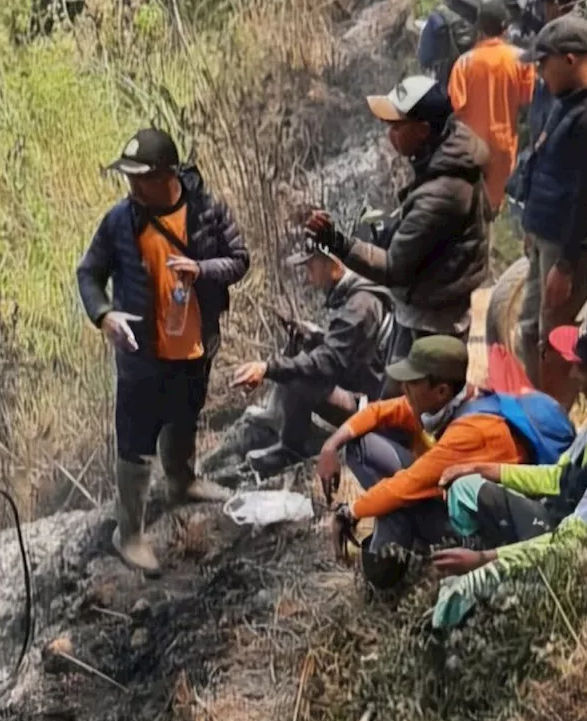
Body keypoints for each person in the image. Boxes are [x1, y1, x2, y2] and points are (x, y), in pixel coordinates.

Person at [76, 128, 249, 573]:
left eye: (140, 178)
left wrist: (202, 268)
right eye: (128, 178)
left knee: (185, 413)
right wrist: (104, 316)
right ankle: (128, 533)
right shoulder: (119, 221)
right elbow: (89, 273)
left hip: (194, 344)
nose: (131, 187)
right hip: (141, 355)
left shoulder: (207, 210)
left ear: (167, 175)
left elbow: (239, 259)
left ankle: (182, 483)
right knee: (135, 441)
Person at [432, 319, 587, 629]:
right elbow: (558, 477)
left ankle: (478, 587)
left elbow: (575, 539)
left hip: (581, 555)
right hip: (558, 524)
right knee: (467, 486)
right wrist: (481, 468)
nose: (574, 375)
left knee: (458, 598)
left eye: (582, 369)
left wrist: (486, 561)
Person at [307, 75, 489, 398]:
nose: (389, 134)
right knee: (397, 408)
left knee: (411, 413)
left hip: (433, 322)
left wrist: (337, 242)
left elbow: (392, 267)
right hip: (423, 308)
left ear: (422, 130)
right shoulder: (445, 157)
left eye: (397, 126)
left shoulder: (444, 192)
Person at [316, 336, 527, 588]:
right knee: (361, 446)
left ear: (441, 390)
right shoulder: (455, 400)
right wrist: (330, 446)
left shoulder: (471, 431)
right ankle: (395, 540)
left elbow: (406, 486)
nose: (404, 388)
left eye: (413, 383)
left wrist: (349, 512)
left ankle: (386, 569)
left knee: (396, 504)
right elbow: (377, 411)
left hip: (483, 534)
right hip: (449, 496)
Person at [516, 16, 587, 410]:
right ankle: (537, 409)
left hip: (569, 247)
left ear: (569, 59)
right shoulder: (570, 100)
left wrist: (565, 266)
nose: (540, 73)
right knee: (530, 330)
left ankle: (553, 428)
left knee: (557, 339)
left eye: (543, 64)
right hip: (549, 238)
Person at [229, 237, 393, 474]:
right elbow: (351, 352)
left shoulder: (360, 305)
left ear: (333, 265)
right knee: (301, 349)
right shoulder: (361, 291)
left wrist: (267, 368)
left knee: (300, 374)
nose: (308, 277)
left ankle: (291, 449)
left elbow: (326, 364)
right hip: (370, 388)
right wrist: (316, 336)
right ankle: (283, 428)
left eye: (311, 267)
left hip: (376, 409)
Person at [449, 0, 536, 213]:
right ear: (505, 28)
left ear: (479, 29)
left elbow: (455, 105)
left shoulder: (464, 63)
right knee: (493, 206)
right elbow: (528, 100)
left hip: (471, 149)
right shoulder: (521, 60)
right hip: (504, 146)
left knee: (471, 207)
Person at [418, 0, 482, 88]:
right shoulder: (486, 10)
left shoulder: (440, 13)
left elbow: (425, 56)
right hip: (481, 78)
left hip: (449, 82)